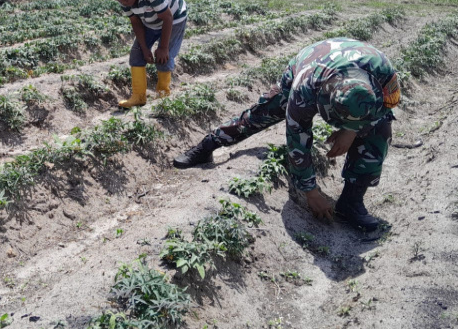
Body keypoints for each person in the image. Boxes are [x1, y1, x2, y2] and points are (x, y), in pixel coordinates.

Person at [172, 38, 402, 231]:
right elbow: (297, 140)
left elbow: (386, 109)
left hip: (358, 61)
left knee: (380, 130)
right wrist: (310, 192)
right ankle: (207, 146)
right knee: (258, 115)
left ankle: (351, 203)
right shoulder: (305, 87)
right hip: (310, 62)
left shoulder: (384, 74)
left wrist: (350, 130)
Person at [110, 0, 188, 108]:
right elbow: (136, 22)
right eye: (119, 0)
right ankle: (138, 97)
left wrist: (163, 47)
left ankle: (163, 95)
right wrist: (145, 49)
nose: (123, 3)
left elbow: (167, 18)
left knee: (164, 56)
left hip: (174, 19)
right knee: (137, 54)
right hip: (150, 21)